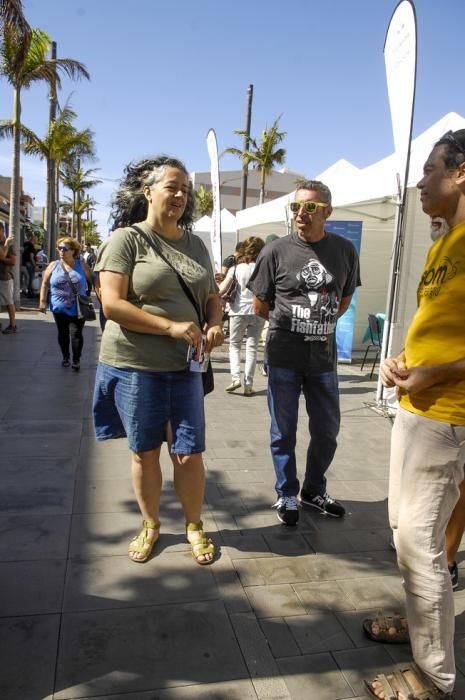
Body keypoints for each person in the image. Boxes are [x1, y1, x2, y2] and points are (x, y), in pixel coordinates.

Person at [365, 130, 465, 700]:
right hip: (417, 405)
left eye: (430, 169)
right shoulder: (442, 244)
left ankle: (433, 680)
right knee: (406, 533)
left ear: (461, 173)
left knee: (419, 542)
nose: (421, 180)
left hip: (448, 415)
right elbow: (442, 326)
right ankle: (425, 625)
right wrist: (406, 360)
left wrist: (438, 373)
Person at [92, 155, 224, 566]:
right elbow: (112, 305)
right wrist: (168, 327)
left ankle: (193, 524)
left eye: (185, 187)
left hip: (185, 367)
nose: (181, 194)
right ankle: (150, 524)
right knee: (145, 451)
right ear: (148, 191)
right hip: (136, 365)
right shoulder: (126, 240)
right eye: (172, 186)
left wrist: (216, 323)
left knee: (188, 452)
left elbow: (211, 296)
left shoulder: (196, 243)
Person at [249, 179, 360, 526]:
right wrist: (293, 323)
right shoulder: (275, 251)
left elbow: (343, 300)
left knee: (327, 430)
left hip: (322, 361)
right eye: (295, 207)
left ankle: (313, 490)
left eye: (309, 207)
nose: (300, 213)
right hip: (283, 357)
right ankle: (286, 492)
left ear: (327, 211)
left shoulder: (344, 251)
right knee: (283, 431)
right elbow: (259, 305)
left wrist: (318, 323)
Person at [218, 236, 265, 396]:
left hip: (238, 311)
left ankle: (235, 377)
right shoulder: (263, 268)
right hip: (258, 311)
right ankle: (248, 385)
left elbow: (222, 290)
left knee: (235, 345)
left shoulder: (236, 268)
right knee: (252, 347)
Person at [38, 237, 92, 370]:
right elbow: (44, 283)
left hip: (78, 307)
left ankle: (76, 359)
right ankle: (66, 357)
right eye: (59, 248)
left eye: (65, 249)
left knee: (76, 334)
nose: (61, 251)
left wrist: (96, 293)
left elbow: (93, 279)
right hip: (58, 307)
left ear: (73, 251)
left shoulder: (82, 265)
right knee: (62, 333)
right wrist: (42, 301)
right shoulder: (53, 265)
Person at [0, 223, 17, 334]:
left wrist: (2, 258)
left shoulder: (9, 244)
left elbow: (13, 261)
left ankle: (13, 325)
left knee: (8, 301)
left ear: (2, 230)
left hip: (5, 277)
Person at [22, 233, 37, 298]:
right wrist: (35, 265)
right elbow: (31, 257)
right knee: (31, 278)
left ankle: (26, 291)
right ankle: (30, 293)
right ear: (33, 240)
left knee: (26, 278)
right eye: (36, 239)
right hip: (29, 264)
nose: (37, 241)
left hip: (24, 264)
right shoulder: (31, 246)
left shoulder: (25, 244)